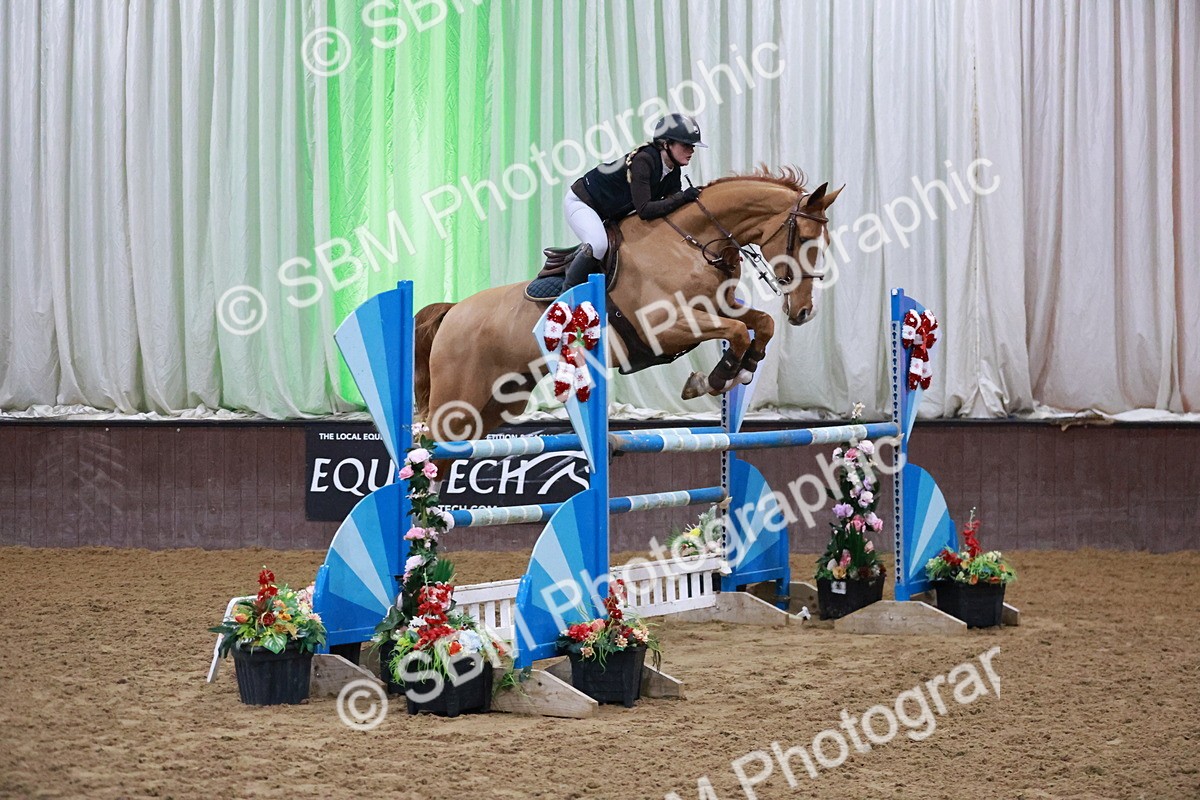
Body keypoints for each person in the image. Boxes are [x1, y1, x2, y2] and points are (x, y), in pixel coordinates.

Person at [561, 113, 707, 289]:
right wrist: (682, 197)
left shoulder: (673, 170)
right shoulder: (644, 160)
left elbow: (674, 209)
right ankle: (564, 297)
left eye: (692, 146)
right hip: (582, 203)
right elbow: (644, 210)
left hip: (609, 213)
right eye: (686, 145)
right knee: (598, 245)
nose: (691, 151)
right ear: (666, 144)